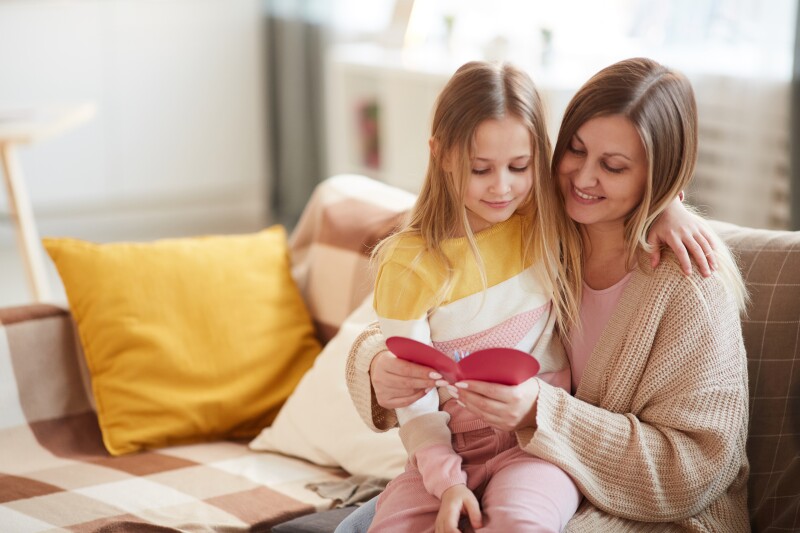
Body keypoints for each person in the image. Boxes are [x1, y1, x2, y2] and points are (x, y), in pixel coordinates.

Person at [343, 57, 749, 532]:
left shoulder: (688, 286)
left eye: (613, 167)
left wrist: (541, 411)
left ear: (656, 178)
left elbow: (694, 471)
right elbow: (434, 320)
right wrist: (376, 364)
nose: (582, 179)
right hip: (490, 466)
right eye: (574, 151)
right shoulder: (548, 228)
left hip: (635, 511)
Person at [370, 60, 580, 532]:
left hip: (539, 442)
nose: (502, 186)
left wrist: (670, 210)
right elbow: (414, 399)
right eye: (480, 168)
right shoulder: (408, 264)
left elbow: (616, 201)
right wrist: (447, 482)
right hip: (448, 447)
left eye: (519, 166)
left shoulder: (548, 224)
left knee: (521, 523)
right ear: (441, 155)